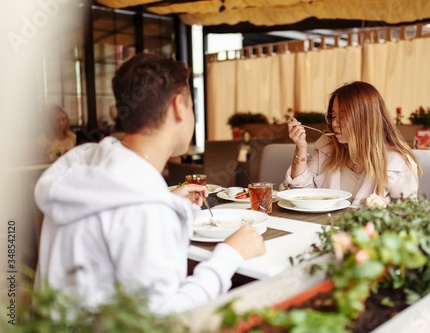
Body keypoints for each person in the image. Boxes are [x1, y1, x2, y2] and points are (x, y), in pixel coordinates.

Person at [34, 54, 266, 314]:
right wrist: (229, 256)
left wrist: (167, 200)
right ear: (179, 106)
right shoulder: (145, 206)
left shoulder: (85, 162)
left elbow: (116, 216)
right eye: (191, 105)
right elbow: (165, 320)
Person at [281, 81, 421, 207]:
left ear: (365, 119)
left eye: (342, 117)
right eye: (333, 116)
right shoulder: (327, 146)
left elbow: (410, 216)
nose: (335, 123)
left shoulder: (397, 162)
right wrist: (301, 147)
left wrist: (385, 208)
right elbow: (300, 193)